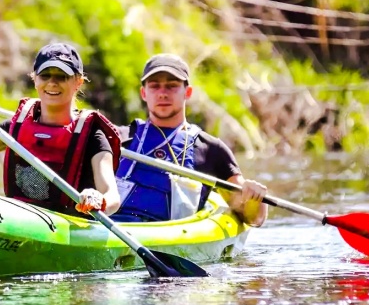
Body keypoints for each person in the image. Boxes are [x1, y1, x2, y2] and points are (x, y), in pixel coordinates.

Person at [0, 43, 122, 216]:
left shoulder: (92, 136)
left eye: (62, 76)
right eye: (45, 75)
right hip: (20, 219)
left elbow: (112, 196)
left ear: (78, 82)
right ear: (34, 79)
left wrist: (99, 199)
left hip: (71, 227)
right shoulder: (15, 128)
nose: (52, 82)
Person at [111, 54, 269, 226]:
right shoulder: (116, 137)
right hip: (110, 228)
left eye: (172, 86)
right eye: (155, 86)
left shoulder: (211, 150)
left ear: (188, 92)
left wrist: (254, 198)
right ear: (143, 93)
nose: (162, 94)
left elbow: (253, 218)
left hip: (168, 236)